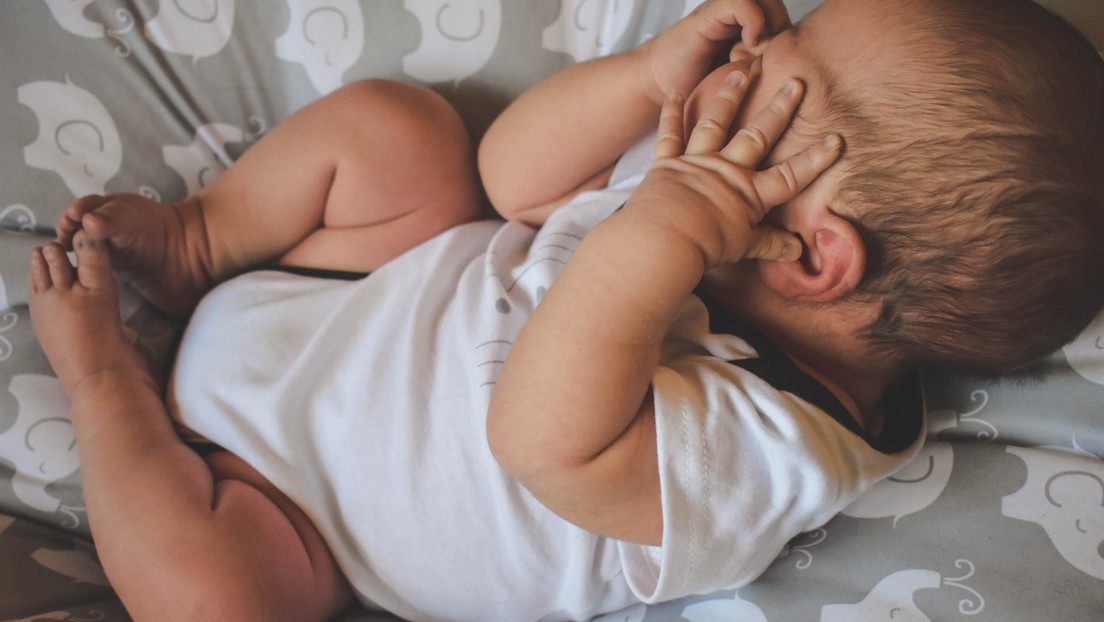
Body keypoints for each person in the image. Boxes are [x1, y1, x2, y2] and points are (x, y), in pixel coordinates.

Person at [26, 0, 1103, 620]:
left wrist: (663, 235)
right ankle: (201, 239)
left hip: (286, 504)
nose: (757, 47)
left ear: (818, 257)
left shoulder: (773, 448)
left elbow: (537, 436)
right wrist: (643, 78)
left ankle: (103, 385)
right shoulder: (716, 193)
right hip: (348, 285)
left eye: (792, 65)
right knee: (405, 134)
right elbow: (513, 180)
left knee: (220, 605)